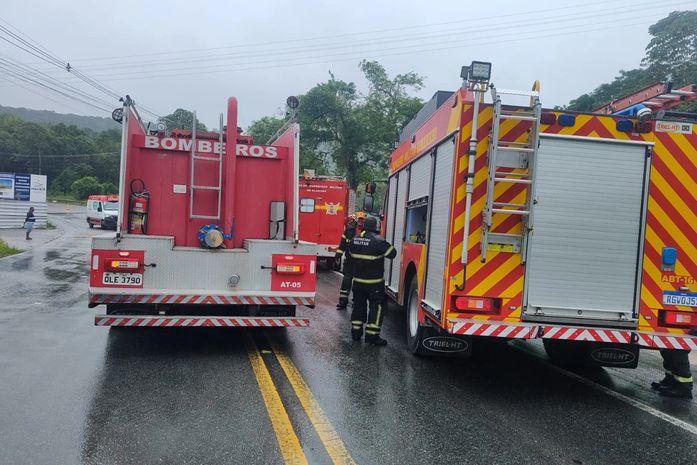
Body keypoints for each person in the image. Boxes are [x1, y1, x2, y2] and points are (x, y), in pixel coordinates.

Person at [348, 216, 396, 345]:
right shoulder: (378, 241)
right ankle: (372, 336)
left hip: (358, 283)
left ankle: (356, 334)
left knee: (358, 306)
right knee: (376, 308)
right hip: (374, 284)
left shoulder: (355, 239)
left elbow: (350, 254)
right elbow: (393, 253)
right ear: (376, 227)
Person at [335, 212, 366, 310]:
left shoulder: (367, 231)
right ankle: (343, 302)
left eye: (362, 219)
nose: (361, 221)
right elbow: (343, 243)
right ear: (356, 220)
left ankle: (356, 302)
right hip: (350, 259)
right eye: (359, 219)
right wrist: (338, 254)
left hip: (362, 262)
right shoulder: (349, 230)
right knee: (346, 280)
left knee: (359, 283)